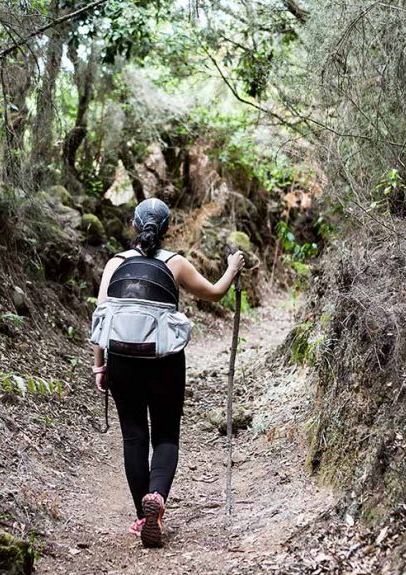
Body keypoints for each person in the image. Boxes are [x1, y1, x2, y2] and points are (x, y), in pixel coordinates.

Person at [92, 198, 245, 548]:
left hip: (121, 360)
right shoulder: (175, 263)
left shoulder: (114, 264)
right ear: (167, 230)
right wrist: (232, 267)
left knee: (133, 436)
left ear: (134, 225)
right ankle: (157, 500)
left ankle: (141, 515)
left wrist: (99, 365)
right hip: (164, 361)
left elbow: (101, 317)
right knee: (165, 437)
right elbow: (216, 293)